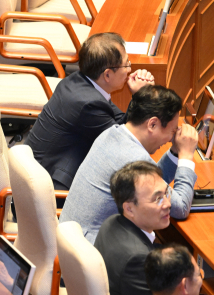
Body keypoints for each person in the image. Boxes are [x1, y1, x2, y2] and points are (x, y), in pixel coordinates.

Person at [60, 85, 197, 244]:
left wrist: (175, 151)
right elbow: (180, 208)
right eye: (172, 132)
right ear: (152, 124)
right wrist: (186, 156)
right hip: (95, 254)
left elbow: (151, 183)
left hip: (72, 241)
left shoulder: (112, 133)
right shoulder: (133, 156)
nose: (170, 139)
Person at [25, 32, 155, 191]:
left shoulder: (78, 80)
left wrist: (138, 96)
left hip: (43, 172)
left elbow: (119, 122)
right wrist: (141, 96)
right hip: (52, 190)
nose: (129, 69)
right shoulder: (88, 104)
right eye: (126, 63)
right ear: (107, 74)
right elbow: (123, 143)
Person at [94, 161, 171, 295]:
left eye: (167, 194)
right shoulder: (137, 259)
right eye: (157, 199)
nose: (168, 204)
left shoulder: (112, 223)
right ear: (129, 208)